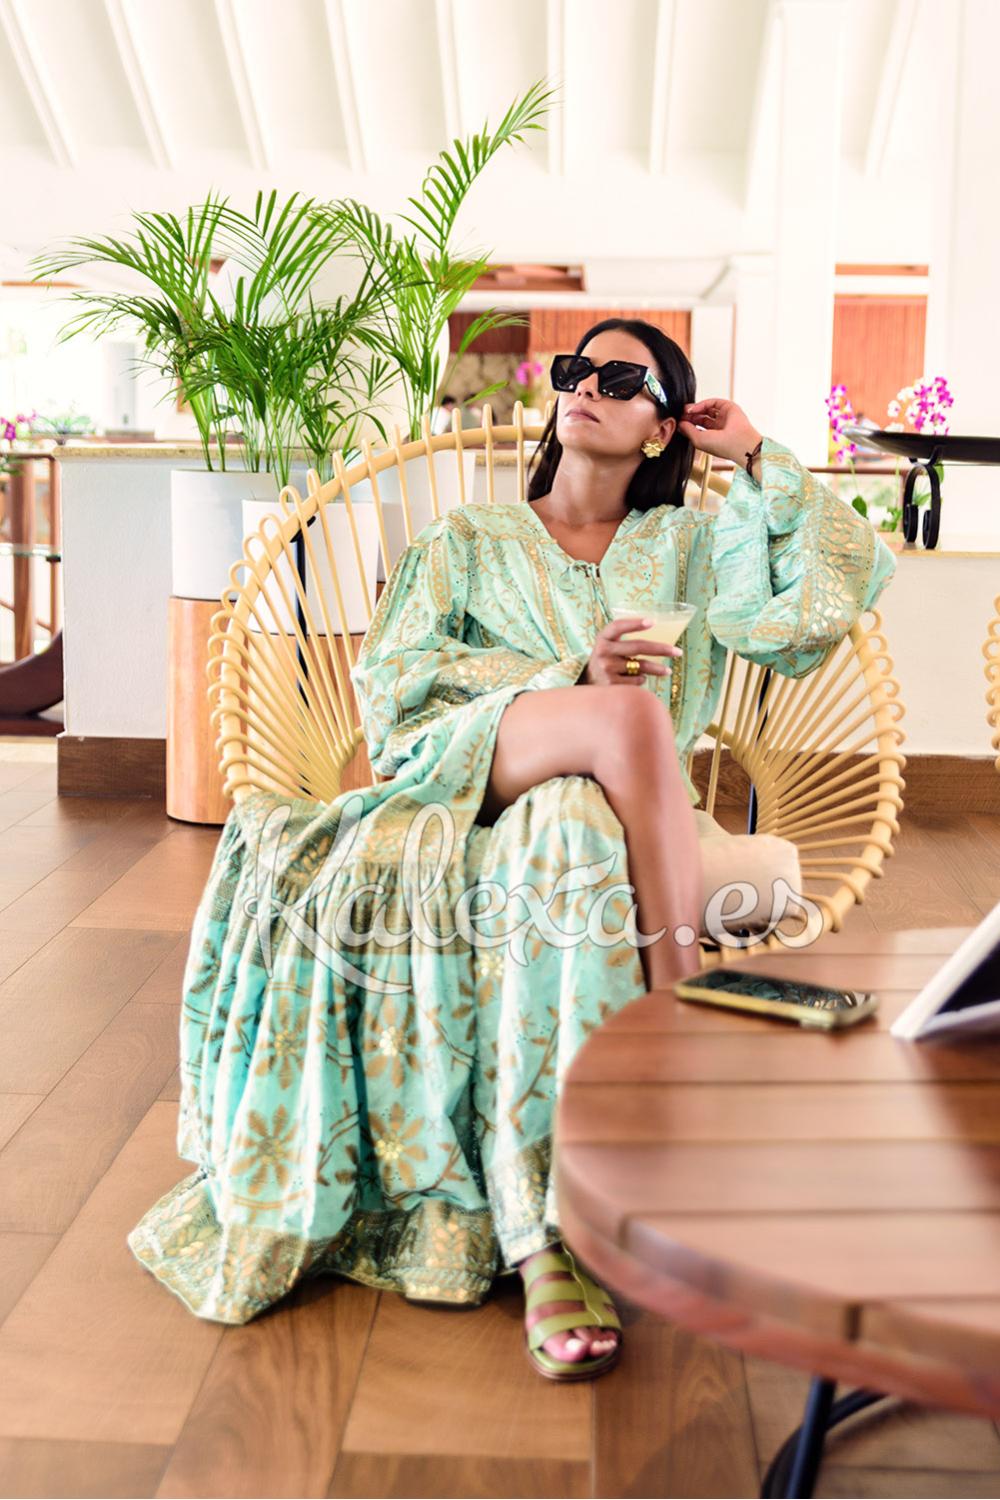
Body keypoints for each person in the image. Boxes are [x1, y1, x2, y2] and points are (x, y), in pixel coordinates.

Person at [126, 318, 897, 1381]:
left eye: (619, 378)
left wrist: (756, 453)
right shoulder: (469, 539)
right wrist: (565, 680)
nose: (585, 386)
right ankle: (683, 1017)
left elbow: (809, 609)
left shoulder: (686, 544)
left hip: (606, 809)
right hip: (470, 766)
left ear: (661, 424)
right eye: (575, 370)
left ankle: (546, 1242)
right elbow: (393, 688)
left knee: (574, 826)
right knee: (624, 715)